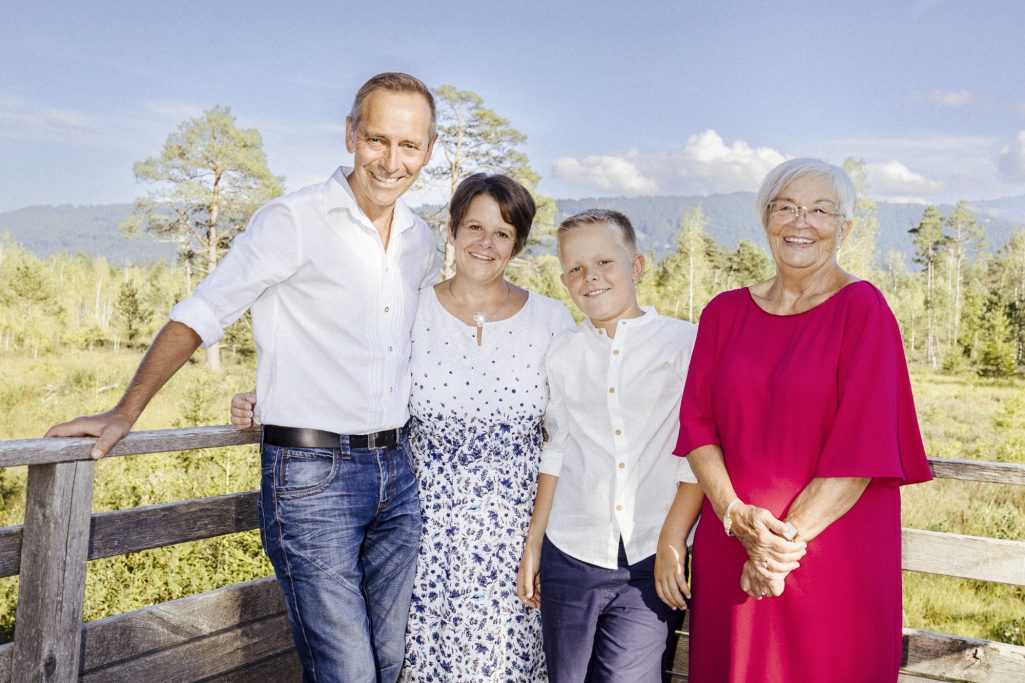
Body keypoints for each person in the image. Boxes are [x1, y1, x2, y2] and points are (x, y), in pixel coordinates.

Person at [46, 72, 440, 683]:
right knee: (349, 674)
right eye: (377, 139)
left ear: (429, 150)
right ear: (350, 135)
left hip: (399, 472)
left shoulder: (421, 241)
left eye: (409, 145)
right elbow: (204, 312)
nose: (391, 161)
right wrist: (126, 410)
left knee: (391, 665)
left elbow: (414, 347)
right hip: (312, 477)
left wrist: (278, 386)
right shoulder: (293, 219)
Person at [232, 173, 575, 682]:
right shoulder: (413, 308)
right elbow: (350, 367)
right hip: (419, 532)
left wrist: (537, 543)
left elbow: (564, 438)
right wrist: (271, 395)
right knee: (408, 661)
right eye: (474, 227)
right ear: (451, 231)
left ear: (517, 244)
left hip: (514, 537)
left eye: (502, 233)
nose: (486, 242)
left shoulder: (550, 320)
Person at [675, 158, 933, 682]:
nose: (800, 222)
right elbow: (697, 428)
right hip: (733, 544)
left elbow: (863, 450)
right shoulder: (723, 314)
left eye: (820, 210)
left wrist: (774, 551)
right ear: (766, 217)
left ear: (845, 228)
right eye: (786, 207)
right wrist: (736, 518)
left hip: (829, 556)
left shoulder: (863, 310)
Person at [516, 209, 704, 683]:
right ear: (565, 281)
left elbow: (698, 450)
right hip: (570, 552)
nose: (591, 277)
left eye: (605, 262)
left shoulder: (684, 344)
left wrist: (673, 539)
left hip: (649, 558)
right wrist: (535, 544)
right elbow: (557, 448)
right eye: (576, 268)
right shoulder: (563, 352)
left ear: (636, 266)